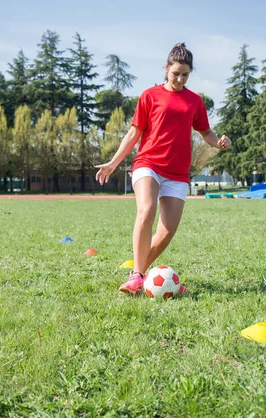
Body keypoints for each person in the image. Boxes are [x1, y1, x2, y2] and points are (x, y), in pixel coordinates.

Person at [95, 42, 231, 295]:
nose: (179, 79)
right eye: (175, 73)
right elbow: (135, 132)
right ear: (166, 68)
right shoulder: (150, 95)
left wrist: (219, 143)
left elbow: (205, 132)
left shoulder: (194, 101)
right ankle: (137, 275)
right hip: (148, 163)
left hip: (177, 174)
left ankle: (139, 273)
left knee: (167, 232)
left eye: (185, 75)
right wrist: (113, 163)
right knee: (146, 210)